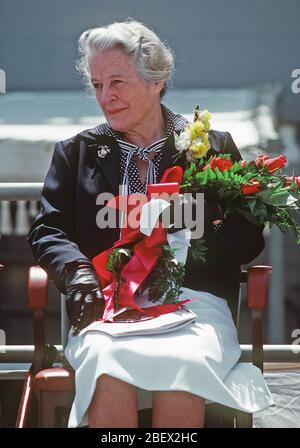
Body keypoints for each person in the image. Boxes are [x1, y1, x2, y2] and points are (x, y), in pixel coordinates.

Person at [27, 19, 274, 428]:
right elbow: (48, 229)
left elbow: (248, 240)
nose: (106, 96)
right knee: (107, 364)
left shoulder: (210, 148)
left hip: (195, 306)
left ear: (156, 80)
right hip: (106, 305)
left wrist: (204, 219)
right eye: (97, 84)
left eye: (118, 82)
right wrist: (78, 275)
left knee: (182, 361)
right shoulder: (78, 152)